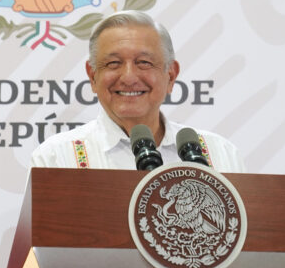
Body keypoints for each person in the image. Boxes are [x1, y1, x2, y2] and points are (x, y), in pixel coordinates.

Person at [30, 10, 246, 172]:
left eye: (143, 62)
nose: (129, 78)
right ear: (93, 76)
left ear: (170, 75)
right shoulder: (56, 159)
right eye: (113, 63)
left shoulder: (220, 155)